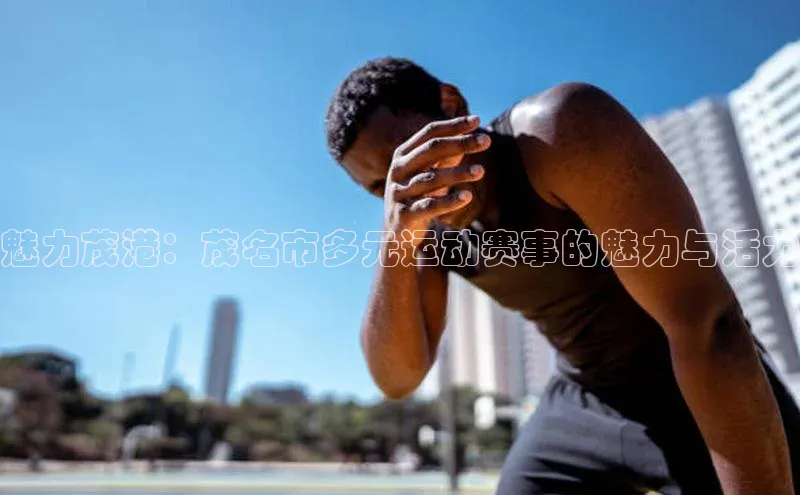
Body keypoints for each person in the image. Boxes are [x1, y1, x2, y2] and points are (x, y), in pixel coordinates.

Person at [323, 57, 800, 494]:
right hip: (584, 393)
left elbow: (707, 324)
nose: (409, 188)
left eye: (411, 158)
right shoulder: (422, 232)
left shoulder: (557, 133)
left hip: (694, 381)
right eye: (381, 187)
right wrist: (395, 240)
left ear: (451, 105)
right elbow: (398, 378)